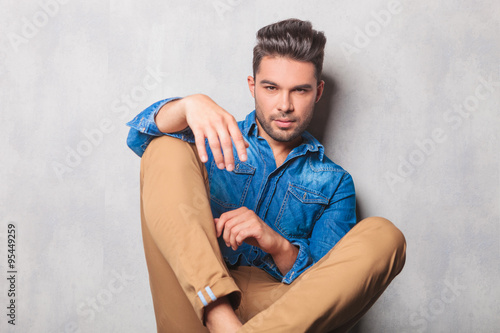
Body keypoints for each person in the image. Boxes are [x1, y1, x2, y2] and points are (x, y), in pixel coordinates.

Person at [126, 18, 406, 333]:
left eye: (299, 90)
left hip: (276, 315)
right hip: (193, 300)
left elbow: (326, 285)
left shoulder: (334, 183)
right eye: (271, 88)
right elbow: (139, 139)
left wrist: (275, 243)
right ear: (253, 86)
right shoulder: (209, 139)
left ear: (318, 92)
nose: (284, 105)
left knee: (386, 235)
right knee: (165, 145)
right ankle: (221, 317)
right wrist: (188, 105)